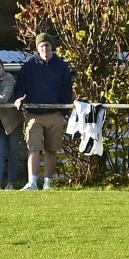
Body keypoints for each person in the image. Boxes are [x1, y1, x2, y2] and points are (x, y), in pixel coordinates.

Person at [14, 32, 73, 191]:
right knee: (33, 148)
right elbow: (20, 87)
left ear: (51, 47)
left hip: (55, 113)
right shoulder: (29, 65)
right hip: (34, 114)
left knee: (51, 149)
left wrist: (64, 113)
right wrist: (19, 98)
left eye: (47, 45)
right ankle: (32, 182)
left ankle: (47, 183)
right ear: (37, 48)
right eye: (42, 46)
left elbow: (67, 90)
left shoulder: (61, 65)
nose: (45, 48)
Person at [0, 59, 23, 190]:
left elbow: (4, 97)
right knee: (1, 154)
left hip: (11, 121)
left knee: (13, 152)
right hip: (0, 124)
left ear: (2, 67)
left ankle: (11, 183)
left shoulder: (8, 78)